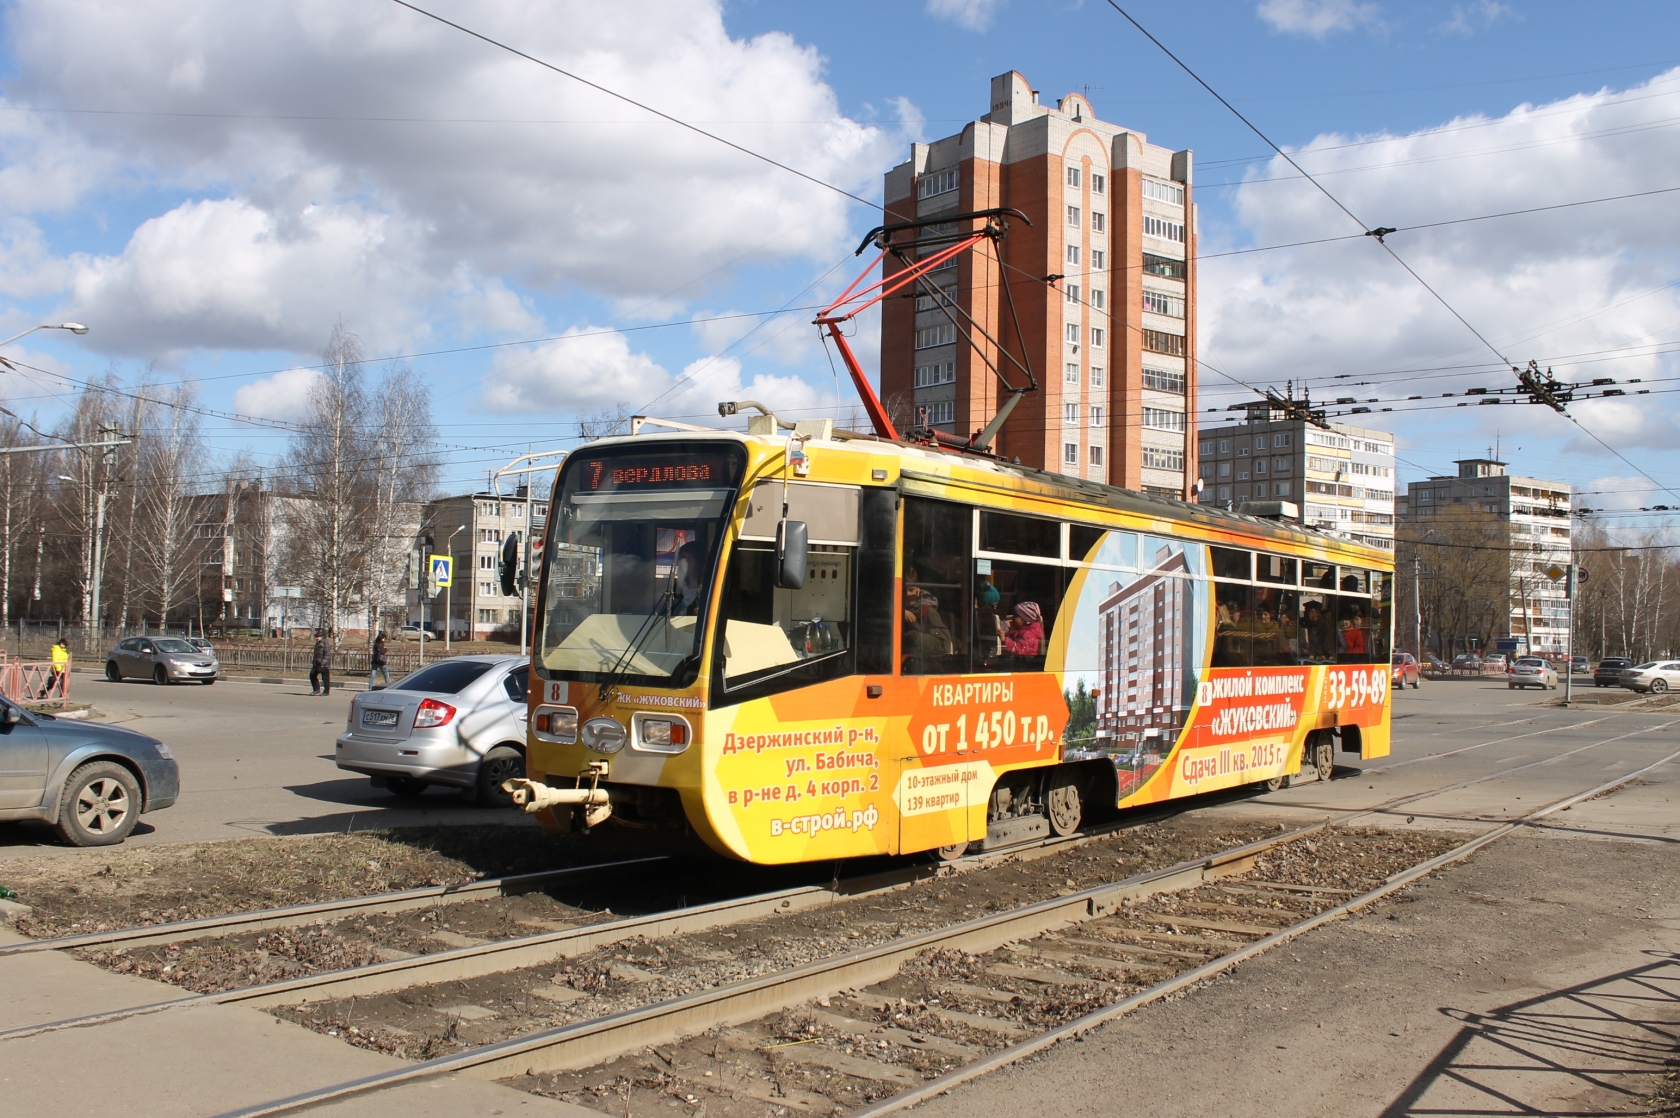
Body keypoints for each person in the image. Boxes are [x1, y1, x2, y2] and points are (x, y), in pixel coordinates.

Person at [309, 631, 333, 696]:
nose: (316, 638)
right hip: (316, 663)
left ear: (321, 637)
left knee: (325, 678)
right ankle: (316, 690)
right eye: (316, 637)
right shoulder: (318, 643)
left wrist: (323, 663)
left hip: (323, 664)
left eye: (318, 637)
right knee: (312, 675)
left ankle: (326, 691)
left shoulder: (325, 643)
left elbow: (327, 654)